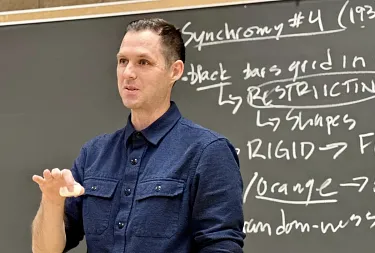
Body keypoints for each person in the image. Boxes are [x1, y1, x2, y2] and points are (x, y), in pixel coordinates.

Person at [31, 18, 246, 253]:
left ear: (175, 70)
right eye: (123, 61)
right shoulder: (93, 154)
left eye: (143, 62)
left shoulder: (208, 152)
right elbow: (45, 250)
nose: (128, 73)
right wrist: (52, 201)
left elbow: (221, 246)